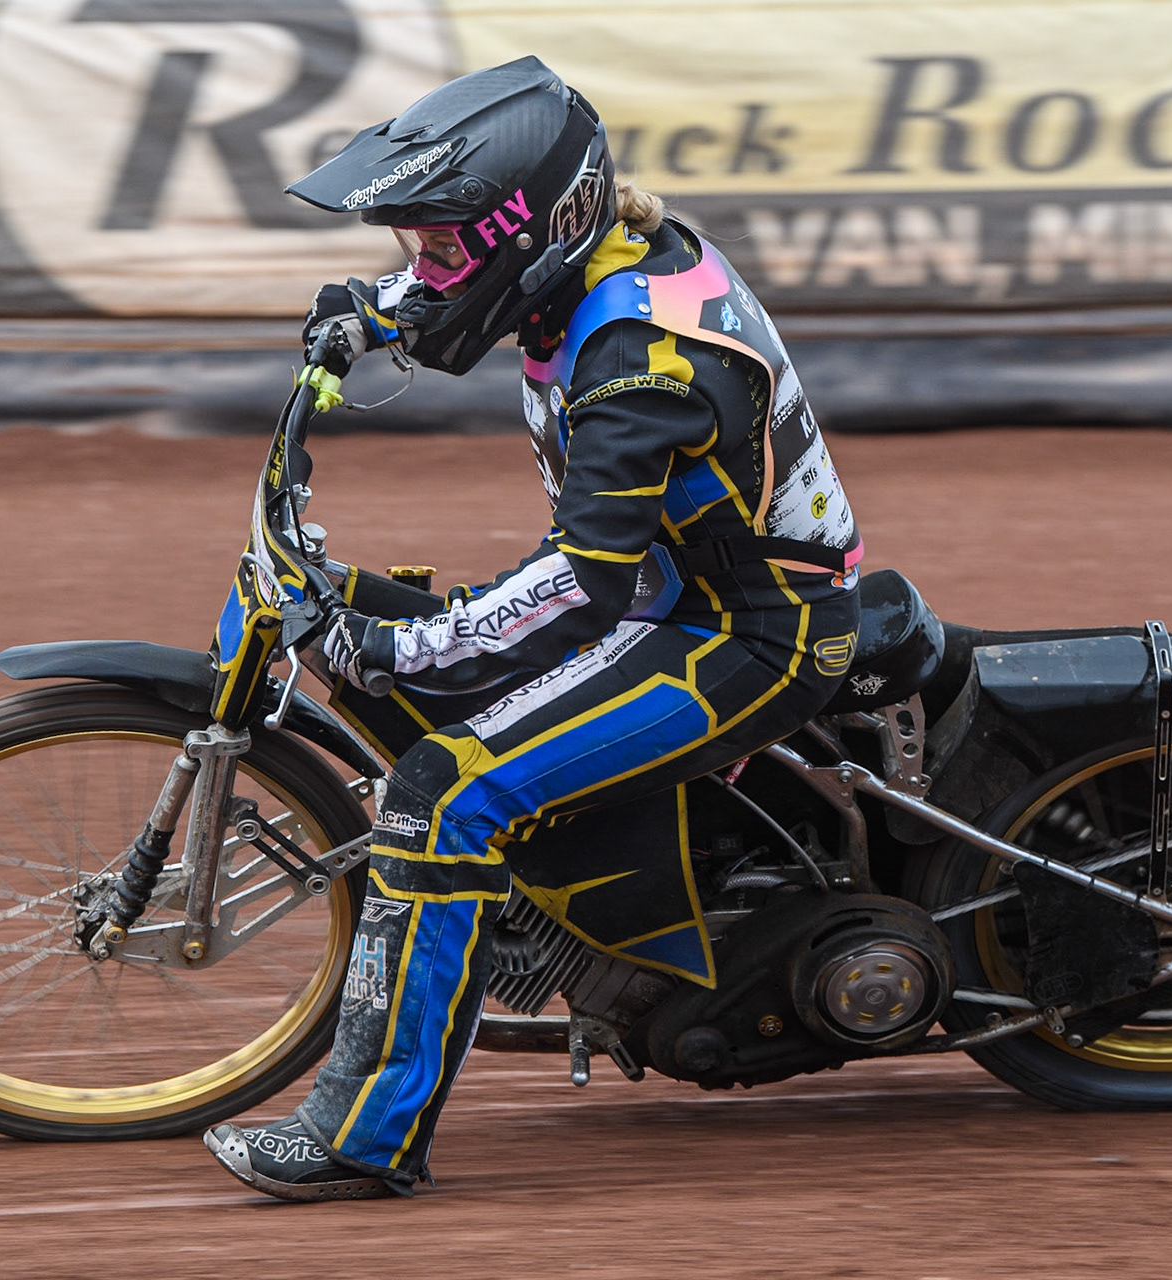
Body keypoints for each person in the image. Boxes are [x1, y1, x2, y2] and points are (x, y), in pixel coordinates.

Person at [203, 56, 864, 1201]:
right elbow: (485, 289)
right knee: (393, 632)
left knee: (442, 787)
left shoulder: (643, 362)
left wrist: (400, 646)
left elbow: (580, 579)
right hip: (674, 594)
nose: (426, 265)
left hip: (746, 632)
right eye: (417, 244)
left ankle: (366, 1135)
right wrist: (377, 311)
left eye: (444, 245)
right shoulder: (590, 260)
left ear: (536, 227)